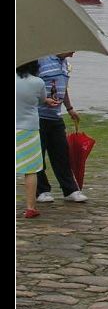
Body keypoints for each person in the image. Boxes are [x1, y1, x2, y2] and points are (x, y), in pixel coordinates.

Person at [36, 52, 86, 203]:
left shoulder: (64, 64)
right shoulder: (41, 60)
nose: (73, 53)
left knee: (62, 154)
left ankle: (70, 190)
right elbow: (28, 85)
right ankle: (42, 191)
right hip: (37, 116)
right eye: (71, 49)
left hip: (55, 116)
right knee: (38, 156)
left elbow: (62, 88)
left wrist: (70, 109)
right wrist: (44, 99)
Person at [17, 61, 57, 217]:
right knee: (31, 170)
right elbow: (40, 99)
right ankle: (30, 208)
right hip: (29, 129)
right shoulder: (38, 82)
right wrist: (46, 100)